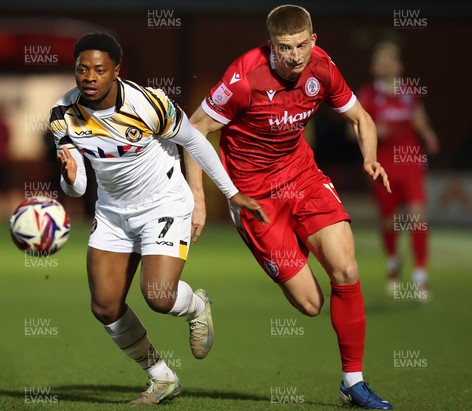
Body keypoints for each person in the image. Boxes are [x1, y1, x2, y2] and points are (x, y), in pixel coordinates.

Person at [186, 5, 393, 409]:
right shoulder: (243, 77)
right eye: (285, 48)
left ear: (313, 40)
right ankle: (284, 252)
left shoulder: (323, 68)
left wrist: (370, 156)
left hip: (302, 177)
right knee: (311, 304)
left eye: (301, 45)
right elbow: (195, 129)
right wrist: (198, 196)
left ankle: (353, 382)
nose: (295, 56)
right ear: (271, 46)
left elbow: (361, 118)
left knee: (347, 269)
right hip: (254, 197)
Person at [49, 32, 268, 405]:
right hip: (113, 213)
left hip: (163, 203)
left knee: (159, 296)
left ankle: (197, 306)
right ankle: (161, 377)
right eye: (82, 69)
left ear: (116, 71)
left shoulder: (149, 103)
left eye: (99, 70)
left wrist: (230, 193)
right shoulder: (63, 114)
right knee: (104, 305)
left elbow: (195, 141)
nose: (89, 77)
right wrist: (69, 176)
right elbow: (78, 186)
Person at [356, 41, 439, 296]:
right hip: (384, 164)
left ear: (398, 65)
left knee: (417, 216)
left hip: (411, 162)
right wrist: (372, 132)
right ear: (374, 67)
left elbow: (418, 115)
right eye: (380, 61)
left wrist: (428, 134)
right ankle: (393, 260)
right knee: (389, 221)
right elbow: (354, 129)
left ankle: (420, 275)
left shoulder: (409, 91)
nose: (385, 65)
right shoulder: (368, 95)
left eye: (389, 60)